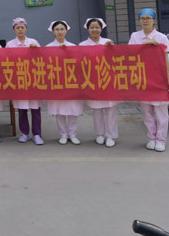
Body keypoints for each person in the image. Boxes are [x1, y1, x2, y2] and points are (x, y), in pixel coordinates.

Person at [129, 8, 169, 152]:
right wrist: (145, 45)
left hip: (159, 79)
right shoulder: (135, 36)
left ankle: (161, 140)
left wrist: (168, 80)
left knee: (161, 113)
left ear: (154, 20)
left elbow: (166, 61)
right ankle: (151, 138)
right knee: (147, 112)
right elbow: (130, 54)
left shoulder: (161, 37)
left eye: (148, 18)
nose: (145, 21)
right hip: (142, 78)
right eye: (142, 18)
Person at [79, 18, 117, 148]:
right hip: (92, 80)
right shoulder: (82, 45)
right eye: (92, 27)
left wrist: (112, 48)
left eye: (97, 27)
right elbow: (80, 62)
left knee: (110, 109)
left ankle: (110, 135)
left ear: (101, 29)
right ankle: (99, 134)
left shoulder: (108, 42)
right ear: (88, 29)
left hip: (108, 79)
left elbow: (116, 60)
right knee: (97, 109)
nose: (94, 30)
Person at [44, 20, 83, 145]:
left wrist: (68, 52)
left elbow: (79, 64)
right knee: (59, 111)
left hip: (71, 82)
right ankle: (63, 135)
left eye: (62, 29)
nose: (60, 32)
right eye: (57, 29)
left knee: (73, 110)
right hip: (57, 83)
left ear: (66, 31)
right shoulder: (48, 47)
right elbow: (45, 65)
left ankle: (73, 134)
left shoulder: (73, 46)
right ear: (53, 31)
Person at [6, 17, 44, 145]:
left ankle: (37, 134)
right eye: (18, 28)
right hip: (19, 80)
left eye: (22, 27)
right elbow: (6, 61)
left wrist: (36, 50)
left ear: (26, 28)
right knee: (21, 109)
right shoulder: (10, 44)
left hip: (33, 80)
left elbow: (41, 59)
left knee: (35, 109)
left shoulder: (33, 42)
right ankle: (25, 133)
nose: (20, 30)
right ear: (14, 30)